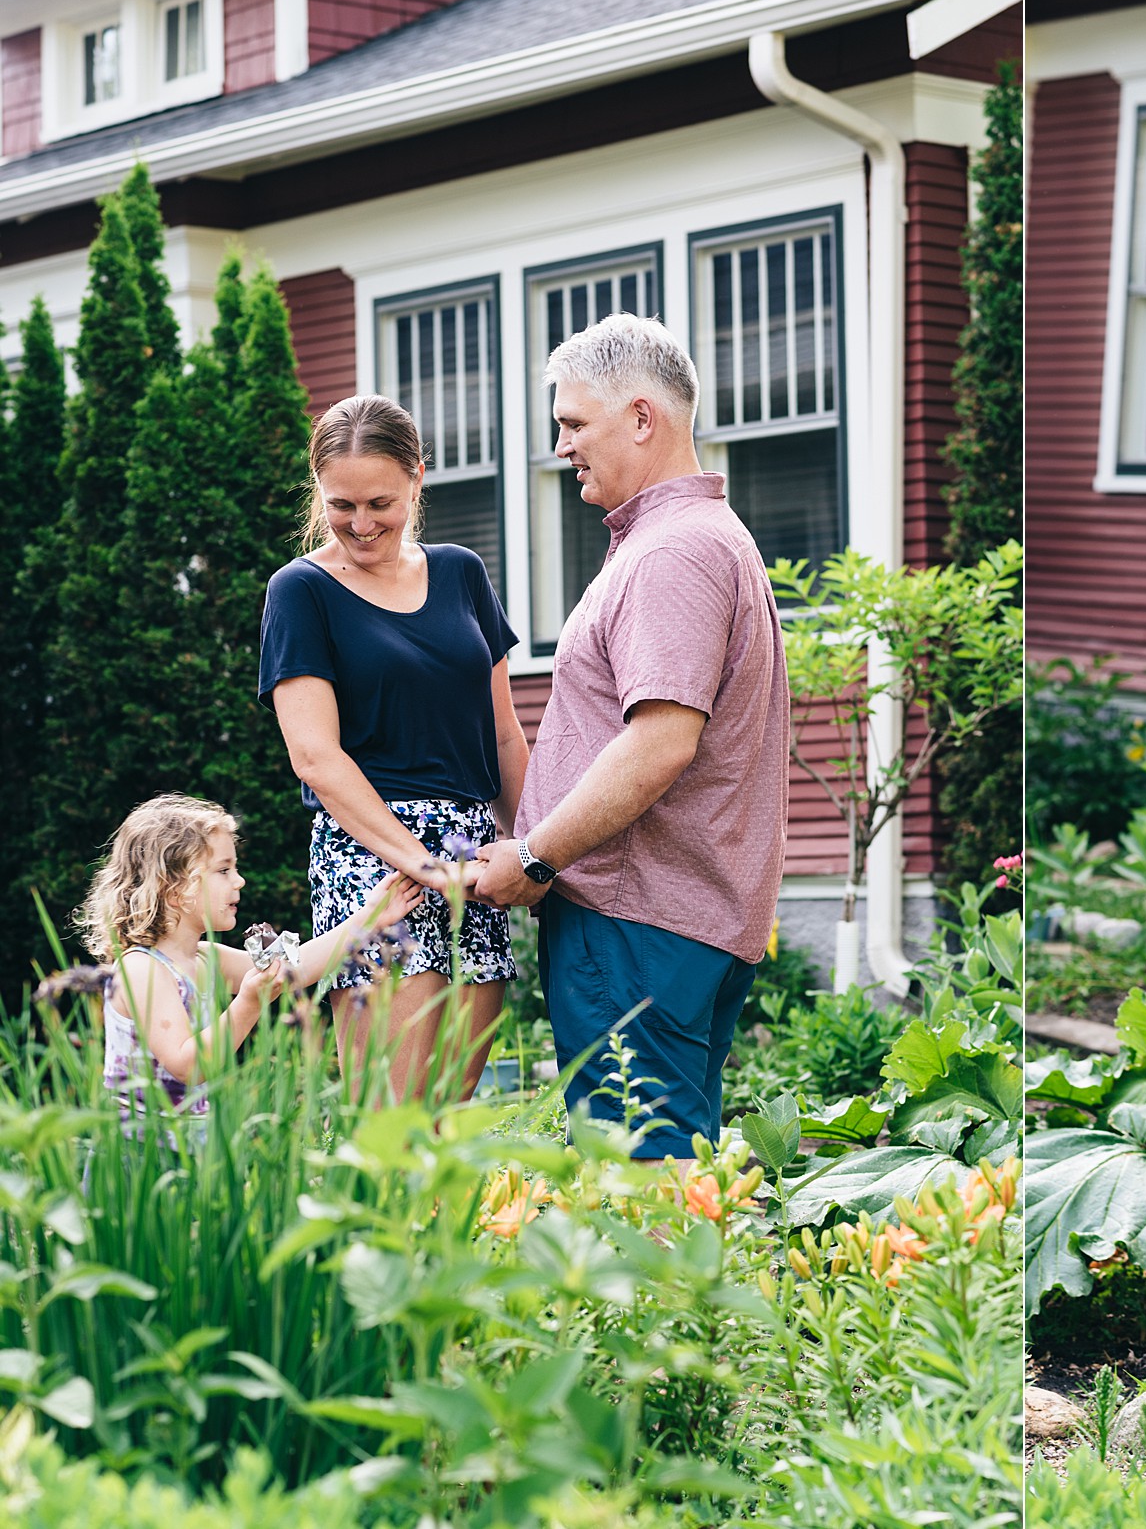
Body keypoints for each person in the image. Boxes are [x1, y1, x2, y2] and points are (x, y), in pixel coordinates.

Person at [468, 313, 789, 1159]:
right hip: (671, 919)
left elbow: (659, 745)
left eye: (575, 423)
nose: (562, 445)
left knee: (642, 1187)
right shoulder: (692, 540)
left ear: (642, 418)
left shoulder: (671, 555)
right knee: (671, 1171)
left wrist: (535, 855)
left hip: (638, 920)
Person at [259, 395, 530, 1103]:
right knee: (392, 1120)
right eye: (340, 503)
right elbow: (315, 756)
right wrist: (419, 863)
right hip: (375, 864)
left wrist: (536, 851)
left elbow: (501, 734)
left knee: (447, 1115)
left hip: (472, 855)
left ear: (417, 477)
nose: (360, 522)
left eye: (380, 501)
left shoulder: (462, 573)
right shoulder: (301, 591)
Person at [78, 793, 422, 1123]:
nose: (239, 881)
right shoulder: (142, 969)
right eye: (223, 870)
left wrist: (369, 918)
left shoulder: (206, 958)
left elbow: (294, 969)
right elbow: (189, 1066)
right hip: (141, 1156)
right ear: (174, 886)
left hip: (192, 1148)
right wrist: (249, 1003)